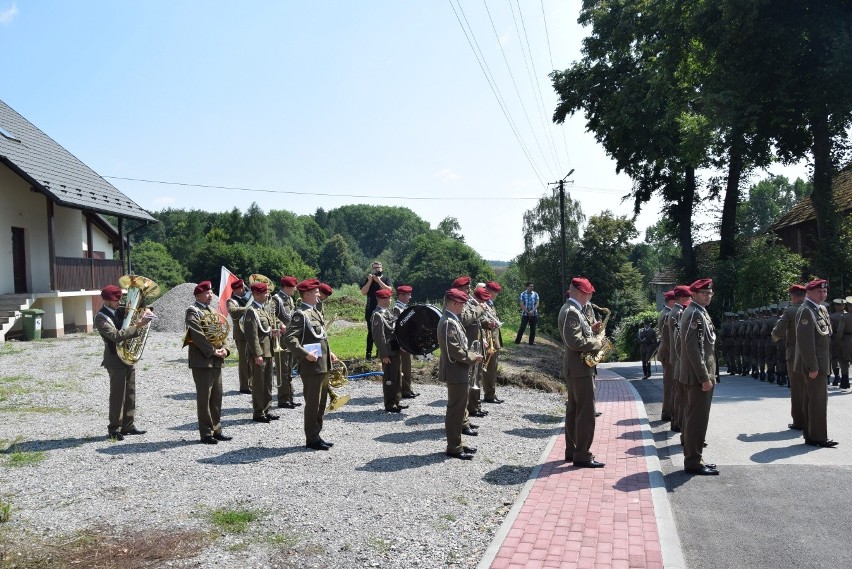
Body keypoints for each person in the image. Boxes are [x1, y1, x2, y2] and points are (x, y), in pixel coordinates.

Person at [284, 278, 338, 451]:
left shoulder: (314, 312)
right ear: (306, 294)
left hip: (322, 364)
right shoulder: (301, 314)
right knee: (313, 404)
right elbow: (289, 339)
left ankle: (316, 435)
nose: (318, 294)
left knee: (321, 403)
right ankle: (311, 438)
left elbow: (319, 337)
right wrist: (305, 354)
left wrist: (328, 353)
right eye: (315, 292)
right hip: (311, 367)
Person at [95, 284, 153, 441]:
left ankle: (128, 425)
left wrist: (145, 310)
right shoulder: (101, 317)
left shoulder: (119, 310)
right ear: (106, 301)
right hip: (114, 359)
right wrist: (138, 325)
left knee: (130, 393)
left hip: (127, 357)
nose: (119, 302)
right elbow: (115, 335)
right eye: (115, 300)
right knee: (117, 396)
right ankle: (113, 428)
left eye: (120, 298)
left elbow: (138, 311)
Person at [558, 277, 604, 468]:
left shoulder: (576, 310)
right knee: (585, 413)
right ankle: (582, 454)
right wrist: (598, 342)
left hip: (578, 368)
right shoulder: (572, 311)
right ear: (582, 292)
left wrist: (592, 330)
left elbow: (578, 335)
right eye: (589, 292)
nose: (591, 295)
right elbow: (574, 342)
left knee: (574, 410)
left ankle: (573, 450)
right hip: (579, 369)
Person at [677, 279, 718, 475]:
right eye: (704, 293)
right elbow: (694, 350)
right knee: (696, 420)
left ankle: (697, 457)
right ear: (693, 294)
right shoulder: (693, 313)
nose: (708, 296)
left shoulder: (699, 311)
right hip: (697, 377)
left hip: (699, 375)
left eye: (710, 293)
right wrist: (704, 377)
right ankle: (693, 461)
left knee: (698, 419)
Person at [438, 287, 483, 460]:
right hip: (456, 371)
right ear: (455, 303)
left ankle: (458, 443)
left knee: (458, 409)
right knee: (456, 410)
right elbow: (454, 350)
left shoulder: (452, 320)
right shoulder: (449, 322)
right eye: (462, 304)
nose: (464, 307)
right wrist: (473, 357)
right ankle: (454, 447)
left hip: (460, 371)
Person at [184, 280, 232, 444]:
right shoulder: (193, 311)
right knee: (205, 398)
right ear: (198, 295)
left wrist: (225, 348)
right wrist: (213, 351)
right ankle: (206, 433)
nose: (210, 295)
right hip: (202, 360)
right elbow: (196, 335)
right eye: (207, 293)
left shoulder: (212, 310)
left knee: (217, 396)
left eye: (211, 292)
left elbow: (222, 332)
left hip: (216, 359)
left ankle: (216, 429)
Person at [794, 279, 837, 448]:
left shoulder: (820, 309)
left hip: (820, 363)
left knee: (813, 400)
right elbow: (806, 342)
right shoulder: (806, 310)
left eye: (825, 292)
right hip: (814, 366)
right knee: (817, 400)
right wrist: (812, 366)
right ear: (809, 292)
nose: (823, 294)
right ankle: (818, 437)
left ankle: (812, 435)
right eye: (819, 291)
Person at [244, 281, 282, 424]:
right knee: (259, 384)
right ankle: (258, 412)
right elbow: (251, 335)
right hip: (260, 353)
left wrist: (272, 332)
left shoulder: (263, 309)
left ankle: (266, 409)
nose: (267, 295)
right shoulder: (251, 311)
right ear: (256, 294)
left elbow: (263, 331)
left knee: (267, 383)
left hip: (268, 351)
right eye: (264, 292)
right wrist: (257, 354)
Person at [772, 284, 807, 429]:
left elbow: (778, 331)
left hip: (794, 354)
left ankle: (799, 421)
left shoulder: (791, 310)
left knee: (797, 388)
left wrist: (775, 337)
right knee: (810, 388)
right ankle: (811, 419)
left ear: (793, 296)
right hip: (814, 354)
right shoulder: (813, 309)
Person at [372, 288, 405, 412]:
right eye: (389, 298)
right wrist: (384, 354)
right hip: (388, 352)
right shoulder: (377, 315)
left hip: (395, 350)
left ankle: (396, 400)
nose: (391, 300)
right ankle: (390, 404)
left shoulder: (388, 312)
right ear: (382, 299)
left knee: (397, 377)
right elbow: (378, 337)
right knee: (389, 379)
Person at [271, 276, 300, 409]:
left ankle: (290, 396)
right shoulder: (276, 299)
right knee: (282, 369)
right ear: (287, 287)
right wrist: (280, 324)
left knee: (289, 369)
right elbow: (270, 315)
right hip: (281, 340)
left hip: (290, 338)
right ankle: (283, 399)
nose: (295, 289)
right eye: (294, 287)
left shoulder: (289, 299)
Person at [668, 286, 693, 432]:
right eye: (689, 297)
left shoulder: (674, 311)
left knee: (678, 394)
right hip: (679, 358)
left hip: (675, 356)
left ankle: (676, 421)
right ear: (684, 298)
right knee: (681, 396)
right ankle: (678, 422)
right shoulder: (678, 313)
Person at [391, 284, 419, 399]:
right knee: (404, 367)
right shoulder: (397, 309)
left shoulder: (404, 307)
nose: (410, 297)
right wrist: (401, 343)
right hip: (402, 343)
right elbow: (396, 328)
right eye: (408, 294)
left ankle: (408, 388)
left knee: (407, 366)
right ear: (401, 295)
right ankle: (405, 390)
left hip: (407, 342)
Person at [360, 260, 392, 359]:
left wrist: (378, 281)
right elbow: (363, 292)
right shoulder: (368, 279)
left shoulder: (386, 278)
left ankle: (380, 352)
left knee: (383, 331)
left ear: (382, 268)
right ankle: (368, 353)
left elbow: (389, 290)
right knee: (371, 331)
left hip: (383, 309)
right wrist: (370, 280)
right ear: (372, 269)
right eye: (375, 267)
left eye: (379, 267)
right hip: (370, 308)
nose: (377, 269)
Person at [225, 278, 252, 394]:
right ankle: (244, 386)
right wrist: (248, 308)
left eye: (241, 288)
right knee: (243, 360)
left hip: (252, 332)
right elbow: (233, 311)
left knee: (253, 358)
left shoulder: (250, 297)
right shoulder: (231, 301)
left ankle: (252, 383)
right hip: (241, 335)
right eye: (237, 289)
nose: (240, 290)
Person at [482, 281, 504, 404]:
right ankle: (489, 394)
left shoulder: (490, 303)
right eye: (496, 292)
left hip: (493, 340)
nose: (497, 294)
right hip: (487, 340)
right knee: (489, 369)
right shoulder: (484, 303)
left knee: (492, 368)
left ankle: (491, 393)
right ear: (489, 291)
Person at [657, 291, 675, 421]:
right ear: (671, 302)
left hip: (668, 353)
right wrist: (675, 355)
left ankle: (669, 411)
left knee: (671, 384)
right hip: (668, 354)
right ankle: (667, 412)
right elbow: (667, 338)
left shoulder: (667, 313)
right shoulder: (667, 314)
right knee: (669, 384)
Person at [829, 298, 846, 387]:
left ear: (836, 306)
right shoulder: (848, 315)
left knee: (835, 358)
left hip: (836, 338)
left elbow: (830, 330)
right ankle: (845, 377)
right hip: (848, 339)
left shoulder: (832, 317)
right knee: (846, 359)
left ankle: (836, 376)